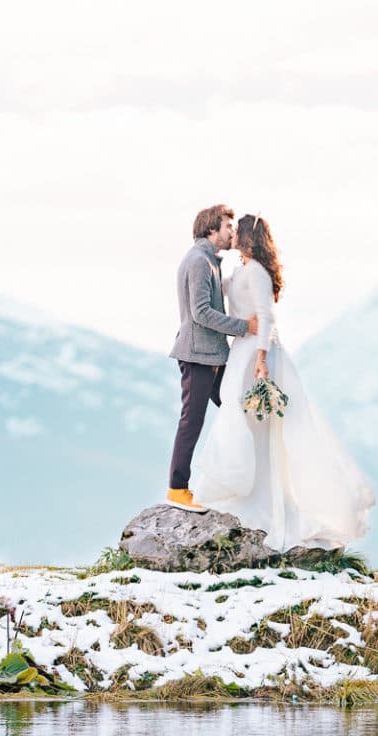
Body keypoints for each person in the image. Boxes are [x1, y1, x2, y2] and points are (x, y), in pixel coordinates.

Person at [192, 213, 375, 552]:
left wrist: (261, 358)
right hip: (241, 351)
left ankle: (265, 501)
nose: (230, 234)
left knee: (263, 428)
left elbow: (267, 315)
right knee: (239, 418)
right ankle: (238, 487)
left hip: (256, 354)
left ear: (246, 236)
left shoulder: (258, 272)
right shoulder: (241, 269)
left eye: (235, 230)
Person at [167, 205, 258, 512]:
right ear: (211, 229)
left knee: (238, 409)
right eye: (228, 226)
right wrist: (244, 328)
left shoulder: (209, 261)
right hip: (197, 357)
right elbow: (201, 313)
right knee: (191, 422)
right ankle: (178, 490)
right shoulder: (198, 261)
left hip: (213, 356)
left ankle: (243, 478)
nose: (233, 232)